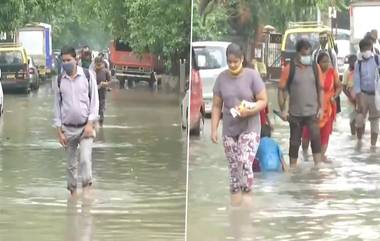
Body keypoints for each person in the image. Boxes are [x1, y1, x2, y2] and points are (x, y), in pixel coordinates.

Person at [211, 43, 267, 206]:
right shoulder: (221, 79)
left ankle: (248, 201)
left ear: (242, 59)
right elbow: (216, 106)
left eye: (236, 61)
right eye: (230, 62)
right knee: (234, 169)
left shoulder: (252, 76)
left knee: (244, 160)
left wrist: (249, 110)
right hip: (229, 129)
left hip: (250, 126)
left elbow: (263, 100)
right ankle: (236, 210)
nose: (233, 65)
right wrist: (214, 129)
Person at [53, 46, 99, 196]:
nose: (66, 63)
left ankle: (87, 193)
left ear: (76, 60)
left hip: (85, 127)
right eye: (63, 60)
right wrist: (59, 131)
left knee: (85, 160)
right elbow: (57, 107)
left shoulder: (87, 75)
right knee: (71, 165)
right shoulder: (59, 80)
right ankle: (72, 195)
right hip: (68, 129)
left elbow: (94, 102)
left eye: (69, 60)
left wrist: (90, 123)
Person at [278, 39, 323, 168]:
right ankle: (293, 169)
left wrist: (321, 108)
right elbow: (281, 90)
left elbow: (320, 89)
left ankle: (317, 167)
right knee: (294, 142)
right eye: (304, 54)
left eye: (308, 54)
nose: (306, 57)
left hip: (312, 112)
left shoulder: (315, 67)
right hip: (295, 114)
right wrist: (283, 110)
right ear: (297, 53)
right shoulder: (289, 68)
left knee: (315, 139)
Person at [302, 52, 342, 163]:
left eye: (328, 61)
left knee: (325, 134)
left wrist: (335, 96)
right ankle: (305, 156)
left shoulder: (332, 72)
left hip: (328, 109)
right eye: (324, 62)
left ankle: (320, 159)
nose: (327, 64)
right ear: (318, 62)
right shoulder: (313, 73)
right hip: (312, 108)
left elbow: (339, 86)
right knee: (306, 134)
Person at [354, 37, 380, 147]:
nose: (366, 51)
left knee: (375, 122)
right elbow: (357, 82)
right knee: (359, 121)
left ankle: (373, 147)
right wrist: (359, 101)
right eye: (363, 49)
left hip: (376, 95)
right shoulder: (358, 63)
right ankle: (359, 142)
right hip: (363, 95)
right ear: (360, 50)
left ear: (372, 47)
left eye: (368, 48)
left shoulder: (377, 60)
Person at [342, 54, 358, 135]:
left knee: (361, 118)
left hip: (360, 98)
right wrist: (350, 97)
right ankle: (353, 135)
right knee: (352, 119)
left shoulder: (359, 71)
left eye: (355, 61)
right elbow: (344, 87)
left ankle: (360, 138)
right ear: (349, 62)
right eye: (352, 61)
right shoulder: (347, 72)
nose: (354, 63)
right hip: (350, 98)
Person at [94, 56, 111, 126]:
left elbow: (110, 81)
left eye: (99, 65)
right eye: (96, 65)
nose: (98, 67)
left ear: (102, 63)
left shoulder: (105, 71)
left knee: (101, 108)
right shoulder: (91, 71)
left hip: (102, 93)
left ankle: (101, 124)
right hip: (93, 93)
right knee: (94, 108)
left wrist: (105, 84)